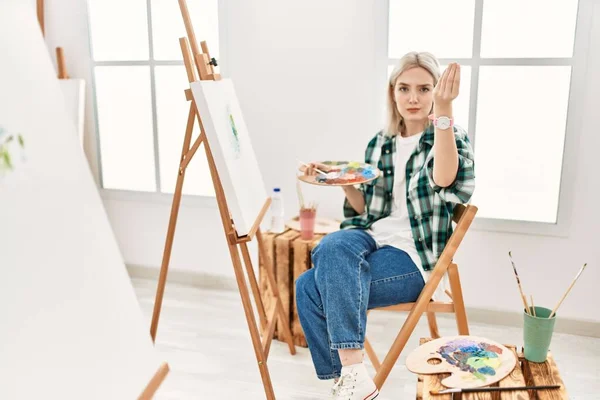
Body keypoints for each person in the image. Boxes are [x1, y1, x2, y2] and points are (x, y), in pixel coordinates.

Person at [295, 51, 476, 399]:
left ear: (437, 91)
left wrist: (445, 113)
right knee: (333, 244)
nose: (413, 98)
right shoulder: (381, 142)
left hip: (414, 255)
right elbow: (368, 208)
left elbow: (445, 179)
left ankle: (347, 378)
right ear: (392, 92)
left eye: (424, 89)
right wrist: (341, 181)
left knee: (308, 287)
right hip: (374, 237)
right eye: (404, 88)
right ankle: (354, 378)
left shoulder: (449, 136)